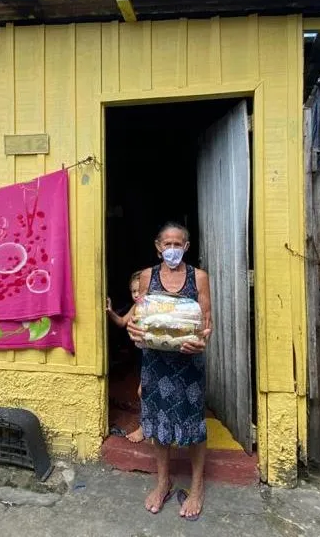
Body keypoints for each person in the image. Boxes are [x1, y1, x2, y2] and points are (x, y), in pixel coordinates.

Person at [126, 222, 212, 520]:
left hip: (188, 363)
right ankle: (163, 482)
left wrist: (201, 342)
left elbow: (206, 322)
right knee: (159, 420)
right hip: (155, 362)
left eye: (178, 244)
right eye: (167, 244)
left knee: (193, 424)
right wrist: (133, 330)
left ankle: (197, 486)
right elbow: (139, 316)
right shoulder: (148, 276)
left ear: (186, 247)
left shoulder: (198, 278)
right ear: (158, 246)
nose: (172, 249)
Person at [105, 271, 147, 443]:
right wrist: (109, 311)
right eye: (133, 291)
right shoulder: (136, 307)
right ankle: (149, 427)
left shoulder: (157, 307)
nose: (136, 295)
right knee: (145, 390)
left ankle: (145, 428)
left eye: (140, 290)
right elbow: (122, 322)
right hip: (143, 354)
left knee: (143, 391)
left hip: (156, 354)